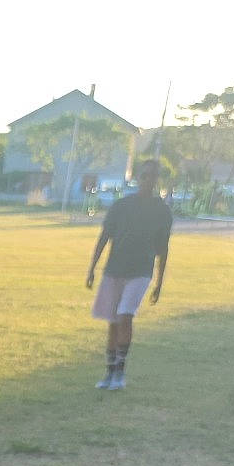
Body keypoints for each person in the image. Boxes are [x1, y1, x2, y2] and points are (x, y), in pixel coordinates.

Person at [85, 160, 172, 390]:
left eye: (152, 176)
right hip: (114, 269)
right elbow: (104, 237)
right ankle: (109, 372)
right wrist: (92, 268)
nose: (148, 180)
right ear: (138, 177)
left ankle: (120, 373)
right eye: (144, 175)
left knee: (125, 316)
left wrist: (159, 283)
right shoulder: (121, 206)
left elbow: (163, 248)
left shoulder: (161, 210)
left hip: (140, 271)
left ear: (156, 180)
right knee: (113, 322)